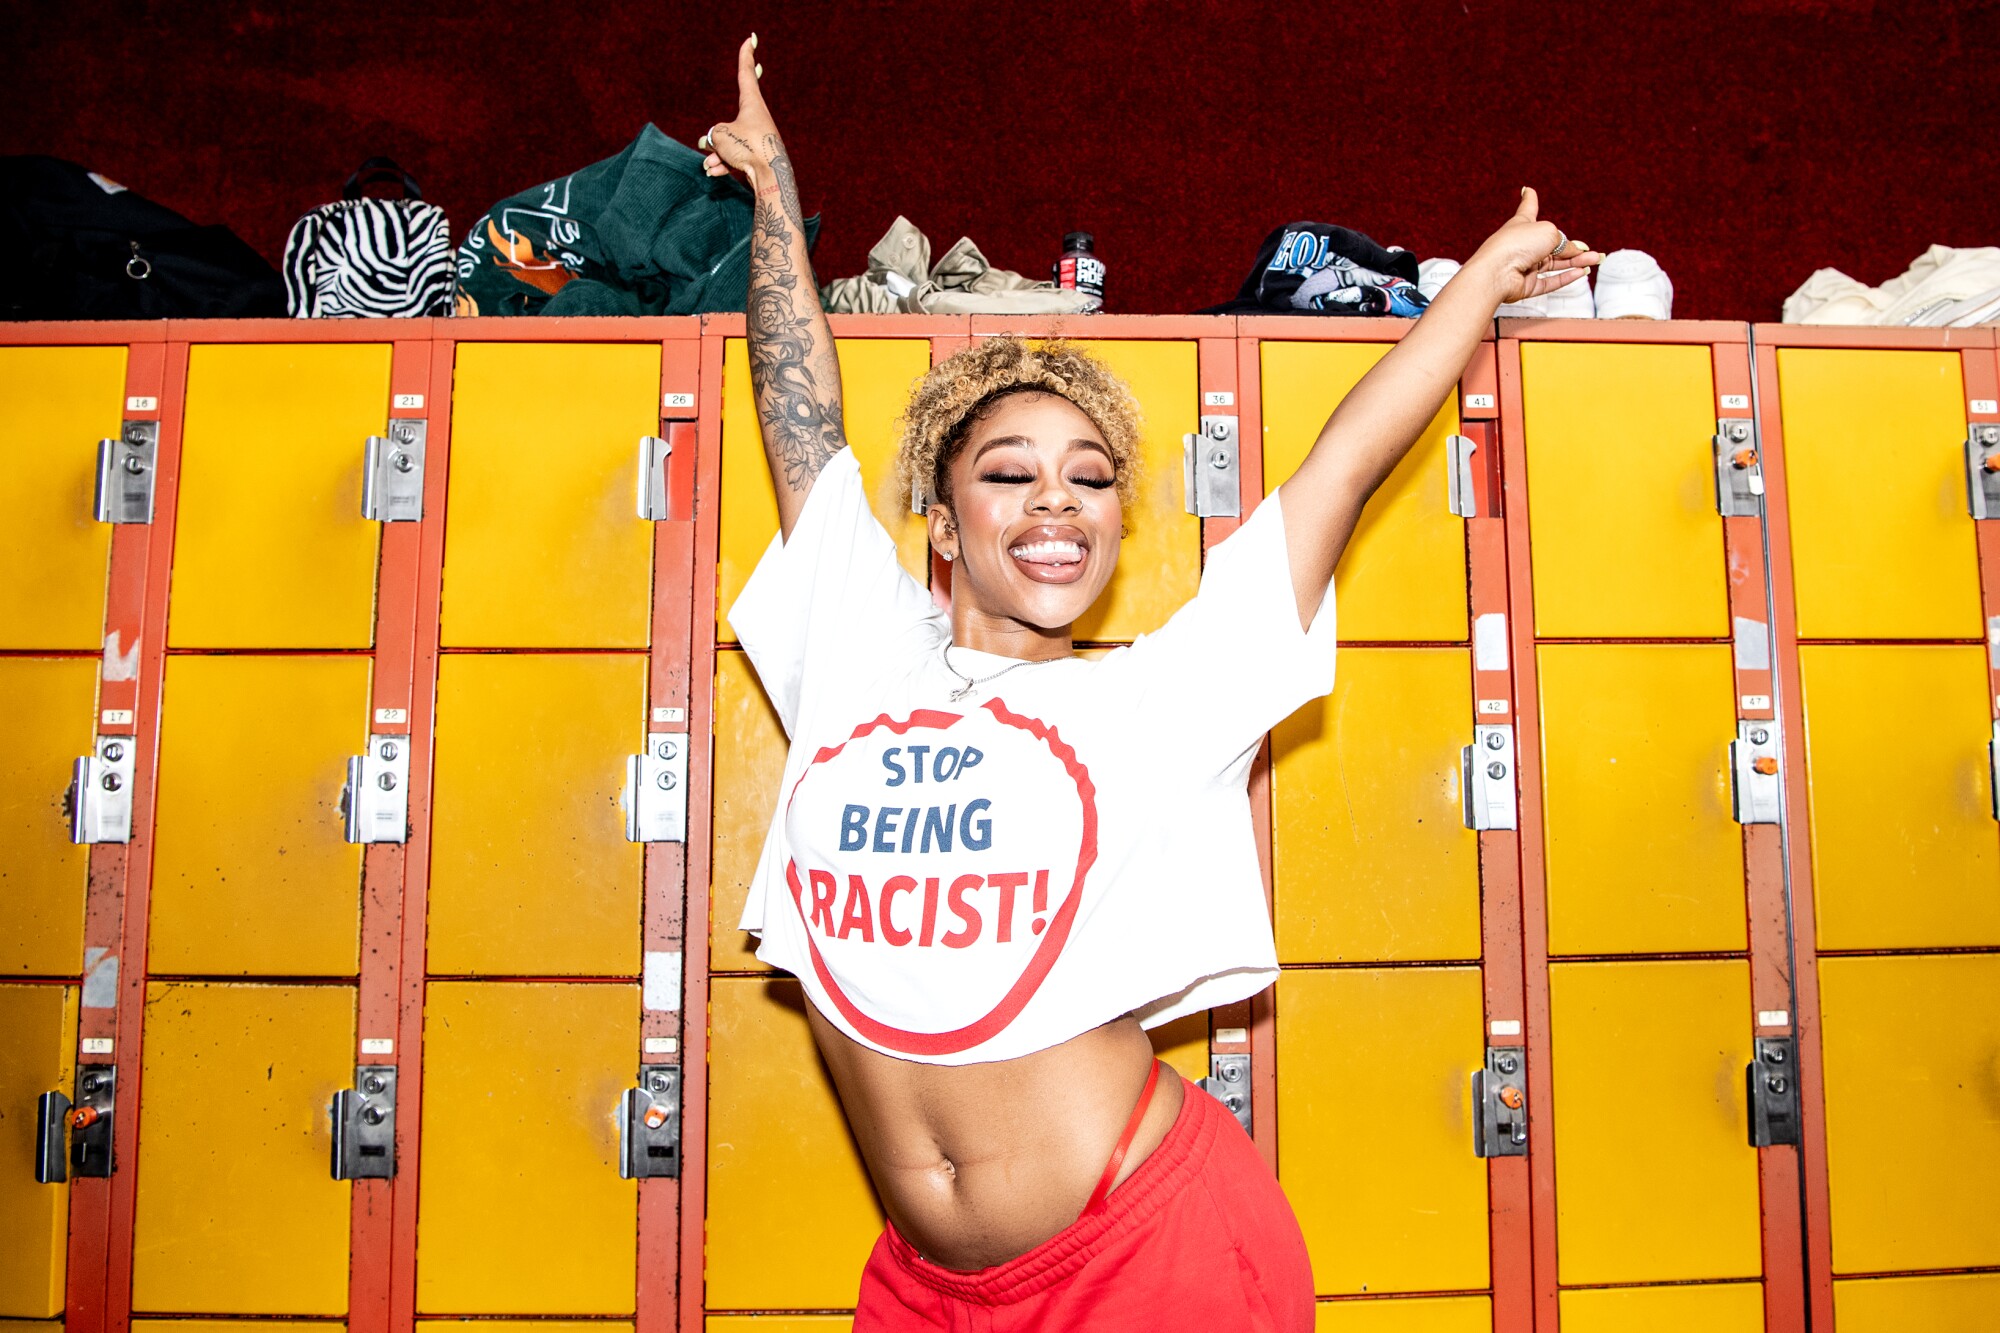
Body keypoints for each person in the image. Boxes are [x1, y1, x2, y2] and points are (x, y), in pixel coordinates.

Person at [699, 34, 1600, 1332]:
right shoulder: (854, 643)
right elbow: (800, 418)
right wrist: (775, 196)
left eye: (1090, 476)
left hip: (1149, 1256)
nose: (1056, 499)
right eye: (1009, 471)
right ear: (943, 524)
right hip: (925, 1282)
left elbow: (1337, 470)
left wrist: (1480, 287)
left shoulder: (1154, 698)